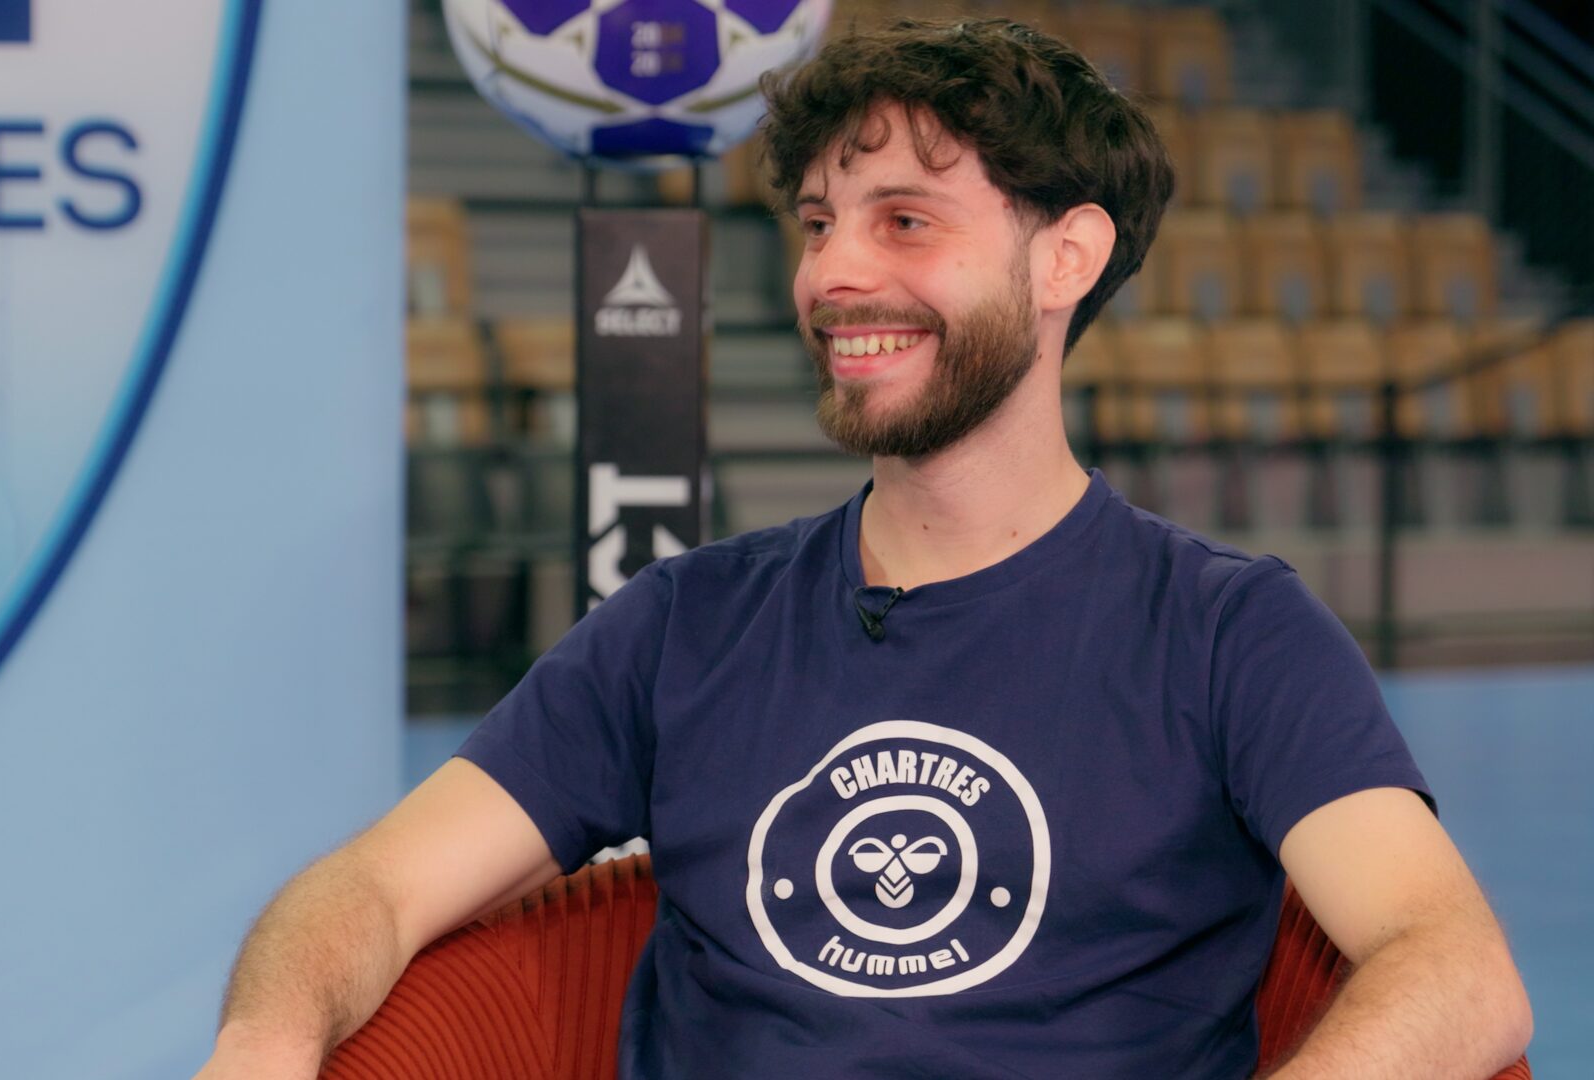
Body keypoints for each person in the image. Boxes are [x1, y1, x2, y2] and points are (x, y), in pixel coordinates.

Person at [195, 17, 1530, 1079]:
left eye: (905, 221)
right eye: (819, 222)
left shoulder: (1227, 630)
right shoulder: (685, 623)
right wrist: (259, 1045)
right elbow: (372, 888)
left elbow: (1456, 971)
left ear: (1066, 259)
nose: (831, 275)